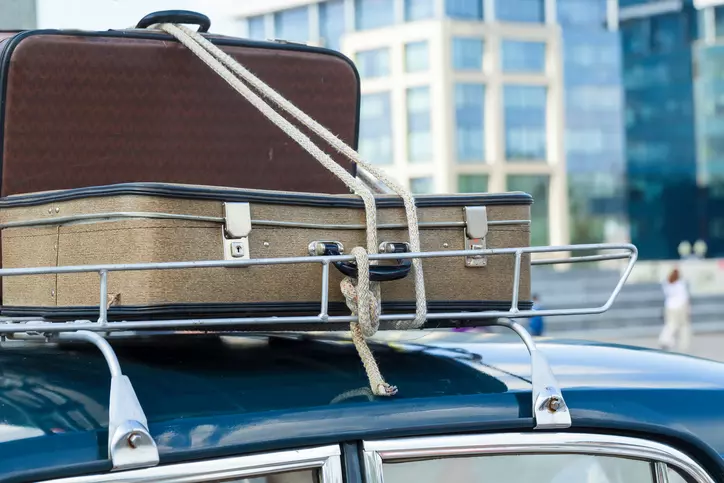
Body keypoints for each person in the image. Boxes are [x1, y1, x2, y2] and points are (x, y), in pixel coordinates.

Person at [658, 268, 692, 352]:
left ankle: (665, 339)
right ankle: (683, 345)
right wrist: (688, 309)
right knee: (683, 326)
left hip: (669, 306)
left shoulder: (667, 283)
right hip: (680, 306)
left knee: (670, 324)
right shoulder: (680, 284)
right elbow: (684, 297)